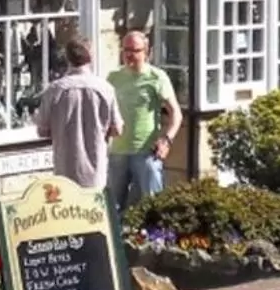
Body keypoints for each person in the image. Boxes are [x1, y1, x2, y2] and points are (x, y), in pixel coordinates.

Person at [106, 31, 181, 214]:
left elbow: (176, 114)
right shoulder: (113, 78)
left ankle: (156, 241)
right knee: (113, 208)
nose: (129, 55)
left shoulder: (156, 77)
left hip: (146, 152)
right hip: (118, 151)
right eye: (126, 50)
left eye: (135, 50)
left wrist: (167, 140)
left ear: (146, 52)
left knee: (152, 205)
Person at [34, 36, 121, 190]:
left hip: (65, 168)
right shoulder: (105, 89)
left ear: (67, 58)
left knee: (68, 211)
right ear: (91, 57)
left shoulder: (55, 90)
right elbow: (117, 129)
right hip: (95, 170)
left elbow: (42, 130)